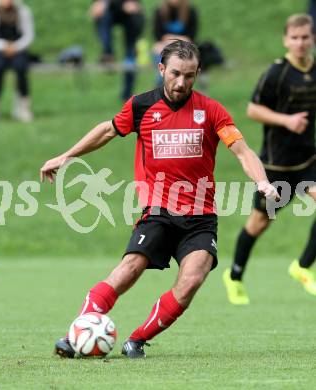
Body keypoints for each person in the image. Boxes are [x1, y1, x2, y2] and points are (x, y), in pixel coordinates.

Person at [40, 40, 278, 359]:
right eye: (176, 73)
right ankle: (76, 334)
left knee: (193, 280)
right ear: (162, 69)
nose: (182, 82)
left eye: (190, 76)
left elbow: (242, 150)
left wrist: (262, 181)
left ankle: (136, 340)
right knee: (130, 268)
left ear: (197, 74)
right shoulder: (142, 106)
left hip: (200, 217)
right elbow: (107, 131)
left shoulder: (211, 111)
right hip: (158, 211)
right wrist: (66, 156)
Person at [223, 14, 316, 305]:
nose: (300, 43)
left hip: (308, 160)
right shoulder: (276, 73)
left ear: (312, 38)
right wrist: (286, 120)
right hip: (276, 165)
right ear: (285, 40)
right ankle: (234, 276)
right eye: (295, 37)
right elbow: (252, 110)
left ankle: (301, 267)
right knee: (259, 223)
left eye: (305, 37)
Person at [0, 0, 34, 123]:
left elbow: (28, 36)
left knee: (21, 68)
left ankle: (23, 108)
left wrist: (15, 47)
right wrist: (4, 46)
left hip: (17, 49)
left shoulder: (23, 11)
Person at [89, 0, 144, 100]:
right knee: (103, 14)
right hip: (110, 9)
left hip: (128, 12)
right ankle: (107, 53)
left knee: (134, 16)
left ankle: (127, 94)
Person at [152, 0, 197, 85]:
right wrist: (176, 39)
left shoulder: (190, 11)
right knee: (157, 48)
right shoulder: (160, 11)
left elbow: (191, 36)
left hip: (184, 45)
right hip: (165, 45)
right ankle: (161, 76)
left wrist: (172, 38)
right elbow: (158, 35)